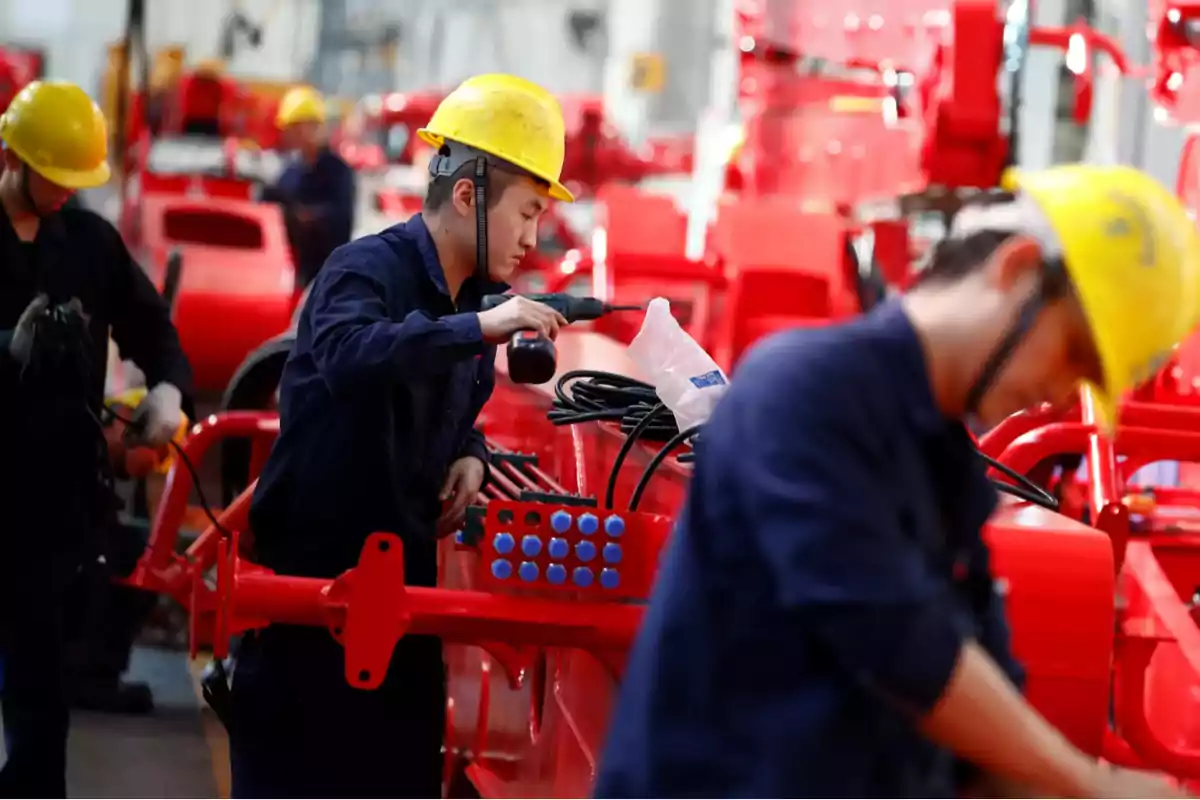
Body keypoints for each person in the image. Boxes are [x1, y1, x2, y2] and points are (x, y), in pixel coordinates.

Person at [594, 164, 1200, 798]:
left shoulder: (950, 474)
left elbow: (982, 741)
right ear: (1018, 271)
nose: (1056, 394)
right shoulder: (802, 392)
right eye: (1074, 354)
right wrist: (1089, 785)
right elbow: (896, 641)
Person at [228, 73, 573, 798]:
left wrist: (472, 459)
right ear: (471, 196)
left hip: (404, 598)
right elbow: (356, 356)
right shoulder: (362, 270)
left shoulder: (468, 302)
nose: (533, 239)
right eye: (527, 213)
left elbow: (452, 414)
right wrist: (482, 327)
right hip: (313, 605)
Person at [0, 79, 193, 797]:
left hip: (53, 505)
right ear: (12, 157)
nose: (63, 193)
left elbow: (154, 329)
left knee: (41, 692)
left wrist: (169, 388)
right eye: (53, 177)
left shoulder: (87, 241)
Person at [268, 85, 356, 292]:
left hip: (326, 273)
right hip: (292, 272)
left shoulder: (338, 171)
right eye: (290, 129)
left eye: (298, 128)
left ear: (315, 126)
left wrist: (308, 218)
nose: (292, 135)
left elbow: (342, 218)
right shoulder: (290, 172)